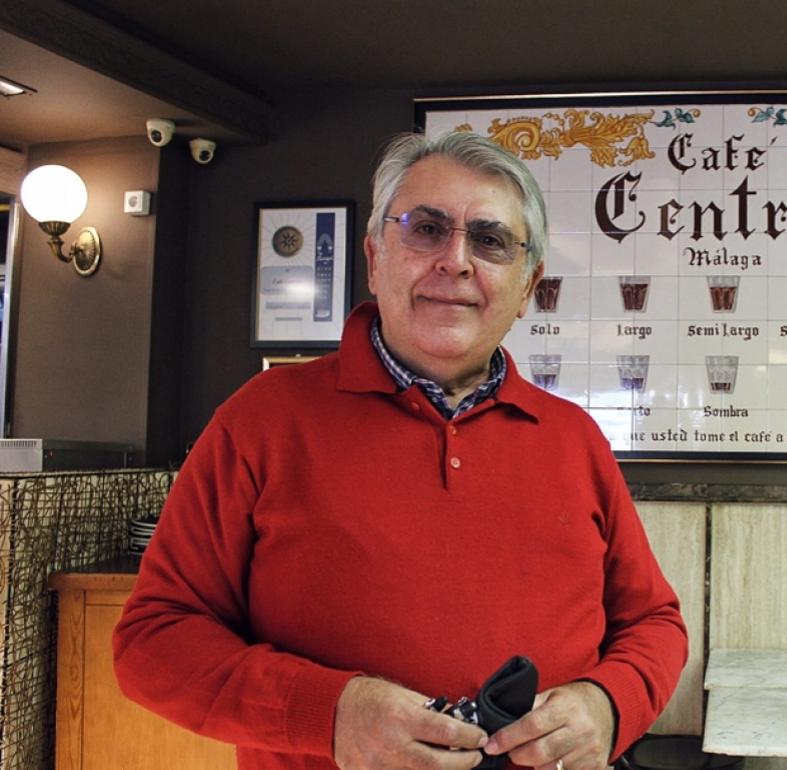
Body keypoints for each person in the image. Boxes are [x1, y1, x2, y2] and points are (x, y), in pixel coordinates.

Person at [113, 131, 689, 770]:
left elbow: (655, 623)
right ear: (374, 256)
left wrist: (610, 704)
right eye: (426, 228)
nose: (457, 261)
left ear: (528, 287)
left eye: (491, 241)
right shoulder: (263, 418)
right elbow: (152, 642)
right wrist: (330, 715)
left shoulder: (574, 437)